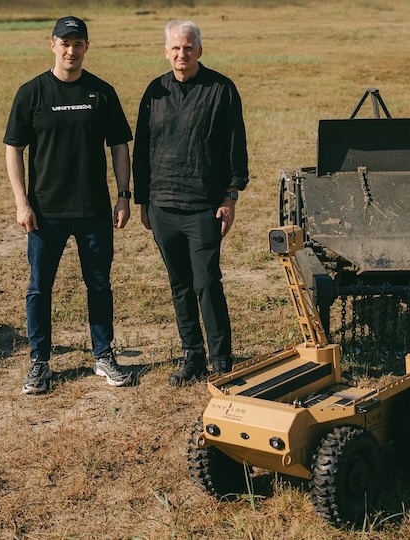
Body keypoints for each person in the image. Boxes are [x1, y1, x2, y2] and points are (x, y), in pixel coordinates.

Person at [4, 16, 134, 395]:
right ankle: (39, 362)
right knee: (39, 288)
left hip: (94, 210)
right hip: (45, 213)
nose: (71, 50)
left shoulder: (102, 92)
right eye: (65, 43)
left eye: (78, 44)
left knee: (99, 285)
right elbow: (13, 148)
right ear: (52, 45)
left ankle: (103, 355)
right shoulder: (32, 93)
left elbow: (120, 145)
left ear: (86, 47)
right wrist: (21, 202)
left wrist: (123, 194)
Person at [132, 20, 249, 386]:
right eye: (175, 49)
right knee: (179, 284)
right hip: (162, 206)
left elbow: (236, 147)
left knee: (206, 281)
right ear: (166, 52)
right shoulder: (155, 92)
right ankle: (192, 355)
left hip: (203, 206)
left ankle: (222, 360)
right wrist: (142, 200)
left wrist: (230, 197)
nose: (182, 55)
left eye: (188, 48)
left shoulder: (221, 90)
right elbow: (142, 149)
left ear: (199, 49)